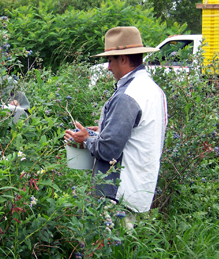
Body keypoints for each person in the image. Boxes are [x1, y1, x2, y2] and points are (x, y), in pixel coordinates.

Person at [64, 27, 168, 224]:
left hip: (117, 194)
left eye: (110, 60)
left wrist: (85, 139)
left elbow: (108, 149)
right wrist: (102, 131)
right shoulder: (154, 90)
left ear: (123, 59)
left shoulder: (127, 96)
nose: (108, 67)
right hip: (139, 187)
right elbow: (137, 134)